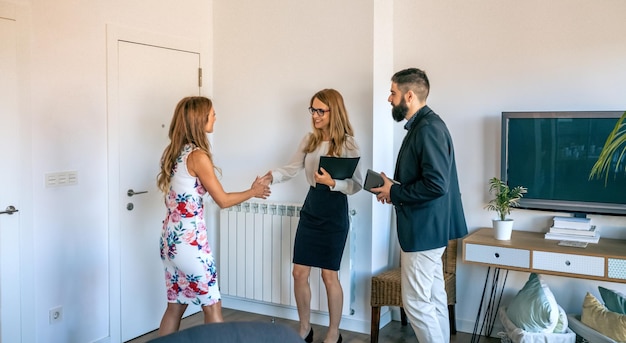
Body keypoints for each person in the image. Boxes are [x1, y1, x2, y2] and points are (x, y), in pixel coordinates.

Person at [156, 96, 271, 336]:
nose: (215, 117)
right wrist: (253, 191)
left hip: (170, 241)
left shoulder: (176, 151)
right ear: (200, 119)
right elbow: (223, 200)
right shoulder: (197, 156)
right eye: (212, 113)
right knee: (213, 306)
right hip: (190, 244)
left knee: (175, 306)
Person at [371, 68, 468, 342]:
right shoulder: (426, 126)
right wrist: (393, 189)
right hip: (430, 230)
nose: (389, 98)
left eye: (393, 92)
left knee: (415, 304)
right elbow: (428, 180)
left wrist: (397, 192)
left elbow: (437, 184)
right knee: (434, 300)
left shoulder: (428, 129)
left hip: (424, 232)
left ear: (409, 95)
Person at [259, 89, 362, 343]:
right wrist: (271, 176)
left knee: (329, 275)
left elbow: (356, 184)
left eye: (320, 111)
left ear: (333, 112)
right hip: (312, 207)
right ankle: (305, 327)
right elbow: (292, 168)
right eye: (312, 110)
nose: (315, 115)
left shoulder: (348, 143)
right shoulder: (310, 140)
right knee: (299, 272)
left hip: (335, 209)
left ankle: (333, 332)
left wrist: (333, 183)